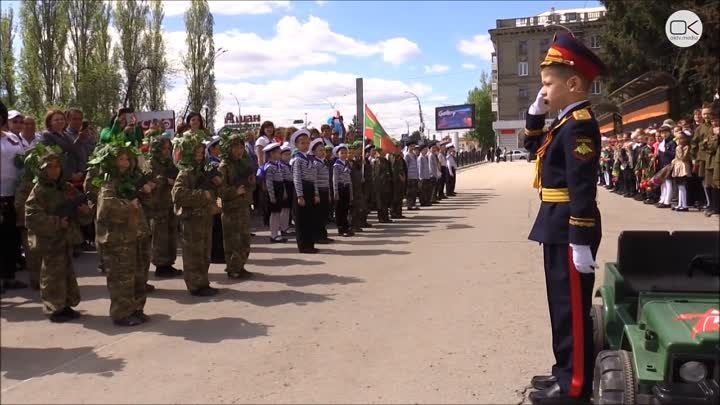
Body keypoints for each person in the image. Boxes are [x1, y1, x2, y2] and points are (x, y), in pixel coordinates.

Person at [522, 31, 606, 404]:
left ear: (573, 83)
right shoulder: (565, 121)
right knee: (560, 306)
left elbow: (582, 186)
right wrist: (536, 112)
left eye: (548, 84)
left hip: (570, 225)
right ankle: (563, 371)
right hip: (555, 222)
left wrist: (581, 237)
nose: (544, 91)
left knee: (571, 309)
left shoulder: (580, 124)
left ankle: (575, 386)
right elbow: (531, 147)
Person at [25, 147, 92, 322]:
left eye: (57, 166)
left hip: (65, 238)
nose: (54, 170)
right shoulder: (38, 190)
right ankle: (54, 308)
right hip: (49, 240)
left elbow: (80, 206)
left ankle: (66, 304)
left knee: (67, 272)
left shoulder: (67, 187)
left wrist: (84, 211)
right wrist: (55, 222)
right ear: (42, 169)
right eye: (49, 167)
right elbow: (31, 216)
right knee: (51, 273)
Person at [93, 140, 152, 326]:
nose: (125, 163)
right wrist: (129, 206)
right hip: (118, 238)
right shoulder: (108, 182)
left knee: (139, 274)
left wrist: (145, 191)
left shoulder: (132, 179)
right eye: (120, 159)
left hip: (136, 234)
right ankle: (122, 313)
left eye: (127, 159)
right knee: (122, 277)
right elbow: (106, 209)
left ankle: (136, 308)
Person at [171, 134, 221, 296]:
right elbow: (177, 195)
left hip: (204, 217)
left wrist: (213, 193)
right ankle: (195, 284)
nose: (200, 157)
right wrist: (203, 195)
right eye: (196, 153)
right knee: (193, 253)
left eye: (201, 153)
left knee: (204, 251)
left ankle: (203, 281)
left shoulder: (202, 171)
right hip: (192, 219)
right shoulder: (185, 173)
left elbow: (212, 190)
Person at [218, 132, 255, 279]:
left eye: (241, 147)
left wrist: (251, 183)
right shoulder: (224, 166)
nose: (239, 150)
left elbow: (249, 186)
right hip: (231, 208)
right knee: (233, 240)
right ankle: (233, 268)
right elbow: (220, 190)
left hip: (243, 206)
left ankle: (241, 266)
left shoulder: (243, 164)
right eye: (235, 147)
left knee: (244, 239)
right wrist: (235, 191)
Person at [144, 132, 182, 278]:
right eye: (164, 148)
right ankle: (161, 265)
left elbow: (177, 174)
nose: (166, 151)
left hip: (169, 203)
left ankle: (168, 263)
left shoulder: (168, 163)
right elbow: (150, 181)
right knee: (160, 237)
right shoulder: (150, 163)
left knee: (171, 235)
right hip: (157, 206)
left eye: (168, 148)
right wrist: (165, 181)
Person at [0, 102, 26, 291]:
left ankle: (9, 276)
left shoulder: (11, 138)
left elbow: (23, 161)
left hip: (14, 194)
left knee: (11, 237)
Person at [290, 129, 320, 254]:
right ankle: (303, 246)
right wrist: (300, 195)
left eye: (307, 143)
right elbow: (296, 177)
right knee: (301, 220)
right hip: (301, 189)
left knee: (310, 218)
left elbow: (314, 177)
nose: (305, 145)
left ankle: (310, 243)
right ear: (296, 145)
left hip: (310, 188)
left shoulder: (310, 159)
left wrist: (316, 193)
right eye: (302, 143)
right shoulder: (297, 159)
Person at [309, 138, 333, 244]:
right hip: (318, 191)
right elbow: (314, 180)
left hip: (325, 191)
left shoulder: (323, 162)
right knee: (317, 216)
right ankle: (317, 236)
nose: (323, 152)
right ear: (314, 152)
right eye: (320, 150)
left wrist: (328, 194)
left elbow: (327, 180)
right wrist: (316, 194)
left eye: (324, 150)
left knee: (323, 215)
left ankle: (323, 235)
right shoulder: (315, 163)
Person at [264, 142, 287, 243]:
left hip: (279, 190)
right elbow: (269, 182)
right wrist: (272, 196)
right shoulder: (269, 167)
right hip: (274, 191)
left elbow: (282, 180)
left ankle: (277, 233)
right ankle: (273, 235)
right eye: (278, 153)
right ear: (272, 154)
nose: (280, 154)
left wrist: (284, 192)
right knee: (274, 214)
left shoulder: (278, 166)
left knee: (278, 213)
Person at [332, 144, 354, 237]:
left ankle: (346, 227)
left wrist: (351, 192)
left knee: (345, 209)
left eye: (346, 153)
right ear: (338, 154)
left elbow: (349, 179)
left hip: (346, 188)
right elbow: (335, 179)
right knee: (339, 210)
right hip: (340, 188)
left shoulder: (347, 164)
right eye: (342, 153)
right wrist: (336, 192)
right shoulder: (337, 165)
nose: (344, 155)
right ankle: (341, 229)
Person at [701, 112, 719, 216]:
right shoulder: (710, 131)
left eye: (716, 120)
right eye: (712, 121)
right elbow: (704, 146)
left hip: (716, 161)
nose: (714, 123)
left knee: (716, 184)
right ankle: (712, 206)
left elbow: (713, 147)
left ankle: (716, 208)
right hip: (709, 161)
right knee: (709, 184)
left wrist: (715, 137)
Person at [671, 129, 693, 211]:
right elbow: (676, 158)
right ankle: (680, 204)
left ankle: (684, 205)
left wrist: (679, 148)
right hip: (677, 167)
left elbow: (683, 158)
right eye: (678, 139)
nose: (679, 140)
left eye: (681, 138)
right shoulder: (678, 147)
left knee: (683, 186)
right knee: (679, 186)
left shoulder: (686, 147)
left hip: (683, 167)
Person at [348, 141, 366, 232]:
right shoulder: (345, 164)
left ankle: (356, 224)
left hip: (357, 188)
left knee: (358, 207)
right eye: (349, 153)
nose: (350, 154)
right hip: (351, 189)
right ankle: (351, 225)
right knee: (352, 208)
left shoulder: (355, 163)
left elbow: (359, 172)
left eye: (352, 152)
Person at [373, 147, 393, 223]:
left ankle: (385, 217)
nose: (385, 151)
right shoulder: (377, 161)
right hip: (380, 185)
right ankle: (381, 217)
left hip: (386, 184)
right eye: (383, 150)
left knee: (386, 201)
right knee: (380, 202)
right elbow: (377, 175)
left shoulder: (385, 160)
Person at [279, 142, 294, 235]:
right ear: (281, 155)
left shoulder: (289, 165)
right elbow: (281, 180)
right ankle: (282, 228)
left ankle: (286, 227)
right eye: (285, 154)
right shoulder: (280, 165)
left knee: (287, 209)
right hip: (284, 186)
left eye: (289, 154)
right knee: (284, 209)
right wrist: (284, 191)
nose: (288, 156)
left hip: (290, 186)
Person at [390, 141, 407, 219]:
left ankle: (399, 212)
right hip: (394, 181)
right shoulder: (392, 157)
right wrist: (399, 176)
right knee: (394, 198)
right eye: (398, 148)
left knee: (400, 197)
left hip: (400, 181)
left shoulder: (400, 158)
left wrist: (403, 176)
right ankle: (394, 213)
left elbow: (403, 168)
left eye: (400, 148)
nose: (399, 149)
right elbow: (393, 169)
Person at [404, 141, 420, 210]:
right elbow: (406, 166)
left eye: (414, 146)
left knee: (414, 192)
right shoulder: (407, 155)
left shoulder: (414, 155)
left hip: (415, 176)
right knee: (410, 192)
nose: (413, 147)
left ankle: (413, 204)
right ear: (409, 147)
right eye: (412, 146)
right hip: (410, 176)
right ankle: (409, 205)